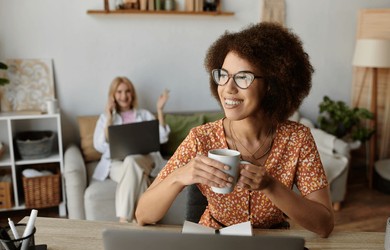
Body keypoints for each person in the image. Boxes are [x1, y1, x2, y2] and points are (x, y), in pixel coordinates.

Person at [135, 22, 334, 237]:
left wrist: (270, 185)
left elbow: (324, 225)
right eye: (223, 75)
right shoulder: (200, 138)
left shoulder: (297, 138)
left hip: (271, 245)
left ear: (272, 84)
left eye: (242, 77)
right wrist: (179, 177)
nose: (228, 88)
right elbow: (143, 214)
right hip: (214, 243)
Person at [93, 76, 170, 223]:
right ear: (113, 95)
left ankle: (123, 220)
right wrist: (109, 119)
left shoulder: (144, 114)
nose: (124, 96)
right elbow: (100, 146)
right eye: (119, 92)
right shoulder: (104, 118)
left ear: (132, 94)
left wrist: (159, 110)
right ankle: (141, 221)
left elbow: (163, 137)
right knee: (138, 175)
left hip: (145, 159)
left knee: (132, 160)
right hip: (116, 164)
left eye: (127, 91)